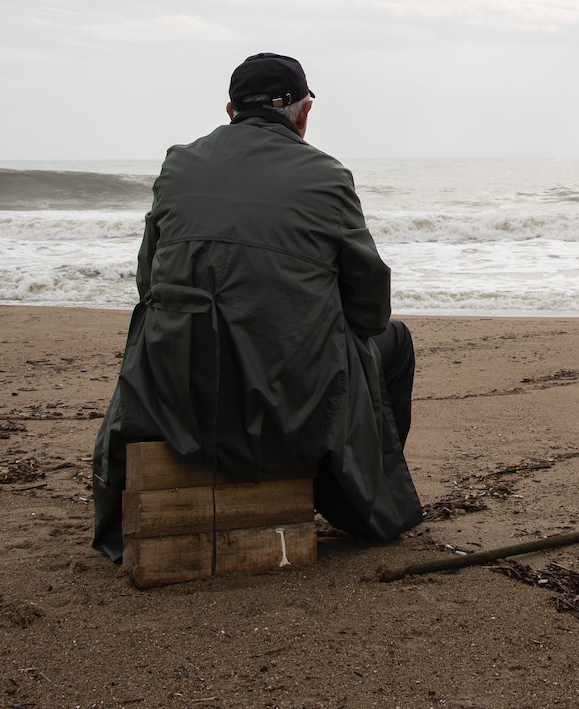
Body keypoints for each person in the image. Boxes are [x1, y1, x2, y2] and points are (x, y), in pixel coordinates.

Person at [90, 52, 422, 562]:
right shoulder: (327, 175)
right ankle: (356, 499)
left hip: (172, 397)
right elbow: (370, 308)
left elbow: (147, 282)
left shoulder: (178, 163)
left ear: (229, 111)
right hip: (286, 406)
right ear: (304, 113)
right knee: (393, 343)